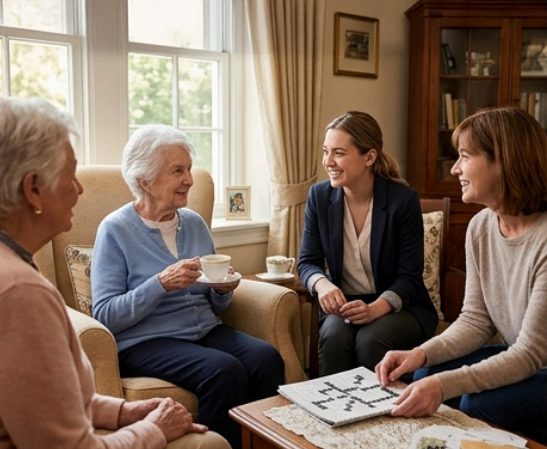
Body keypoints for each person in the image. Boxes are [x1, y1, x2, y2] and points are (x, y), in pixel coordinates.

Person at [0, 97, 230, 449]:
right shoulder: (21, 292)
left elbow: (46, 402)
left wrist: (123, 413)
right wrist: (155, 430)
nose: (79, 189)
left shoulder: (15, 269)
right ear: (33, 189)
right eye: (68, 176)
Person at [91, 124, 285, 449]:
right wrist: (161, 284)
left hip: (204, 331)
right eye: (177, 171)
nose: (189, 180)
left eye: (189, 169)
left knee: (266, 358)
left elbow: (214, 299)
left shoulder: (193, 222)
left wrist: (223, 290)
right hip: (146, 341)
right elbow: (106, 314)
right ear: (145, 182)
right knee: (223, 370)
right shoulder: (115, 230)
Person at [376, 107, 547, 444]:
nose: (455, 168)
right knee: (422, 373)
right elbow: (475, 321)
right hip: (527, 361)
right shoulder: (481, 226)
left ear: (504, 162)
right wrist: (420, 353)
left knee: (474, 402)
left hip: (539, 365)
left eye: (465, 156)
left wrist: (445, 385)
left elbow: (529, 353)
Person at [298, 111, 438, 376]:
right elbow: (307, 262)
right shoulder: (319, 196)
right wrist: (323, 284)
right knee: (334, 334)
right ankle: (333, 411)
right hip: (346, 306)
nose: (328, 162)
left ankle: (382, 413)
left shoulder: (403, 200)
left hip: (401, 307)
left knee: (371, 338)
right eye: (325, 151)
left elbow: (409, 277)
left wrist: (376, 308)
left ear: (369, 157)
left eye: (338, 153)